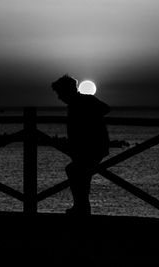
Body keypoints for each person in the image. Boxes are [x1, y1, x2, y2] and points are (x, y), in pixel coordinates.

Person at [51, 74, 110, 215]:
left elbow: (105, 109)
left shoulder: (85, 100)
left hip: (93, 148)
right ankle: (82, 206)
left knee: (75, 171)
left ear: (67, 91)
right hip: (85, 148)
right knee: (80, 174)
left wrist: (89, 116)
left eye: (60, 93)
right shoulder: (78, 104)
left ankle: (81, 207)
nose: (59, 97)